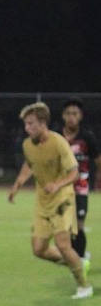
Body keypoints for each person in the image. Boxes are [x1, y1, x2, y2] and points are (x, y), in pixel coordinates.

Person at [8, 102, 92, 299]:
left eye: (31, 124)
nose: (27, 128)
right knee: (39, 249)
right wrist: (17, 186)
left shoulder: (58, 142)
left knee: (63, 244)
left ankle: (84, 286)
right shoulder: (27, 145)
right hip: (42, 201)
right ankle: (77, 263)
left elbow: (74, 173)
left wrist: (57, 184)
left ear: (43, 123)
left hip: (63, 198)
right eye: (26, 125)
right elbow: (30, 165)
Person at [61, 97, 100, 263]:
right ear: (63, 115)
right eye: (69, 113)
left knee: (79, 223)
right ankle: (74, 257)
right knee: (66, 227)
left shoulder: (87, 137)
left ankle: (81, 259)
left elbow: (98, 159)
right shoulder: (56, 136)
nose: (72, 117)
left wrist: (99, 177)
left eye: (75, 114)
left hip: (81, 186)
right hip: (61, 187)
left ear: (80, 116)